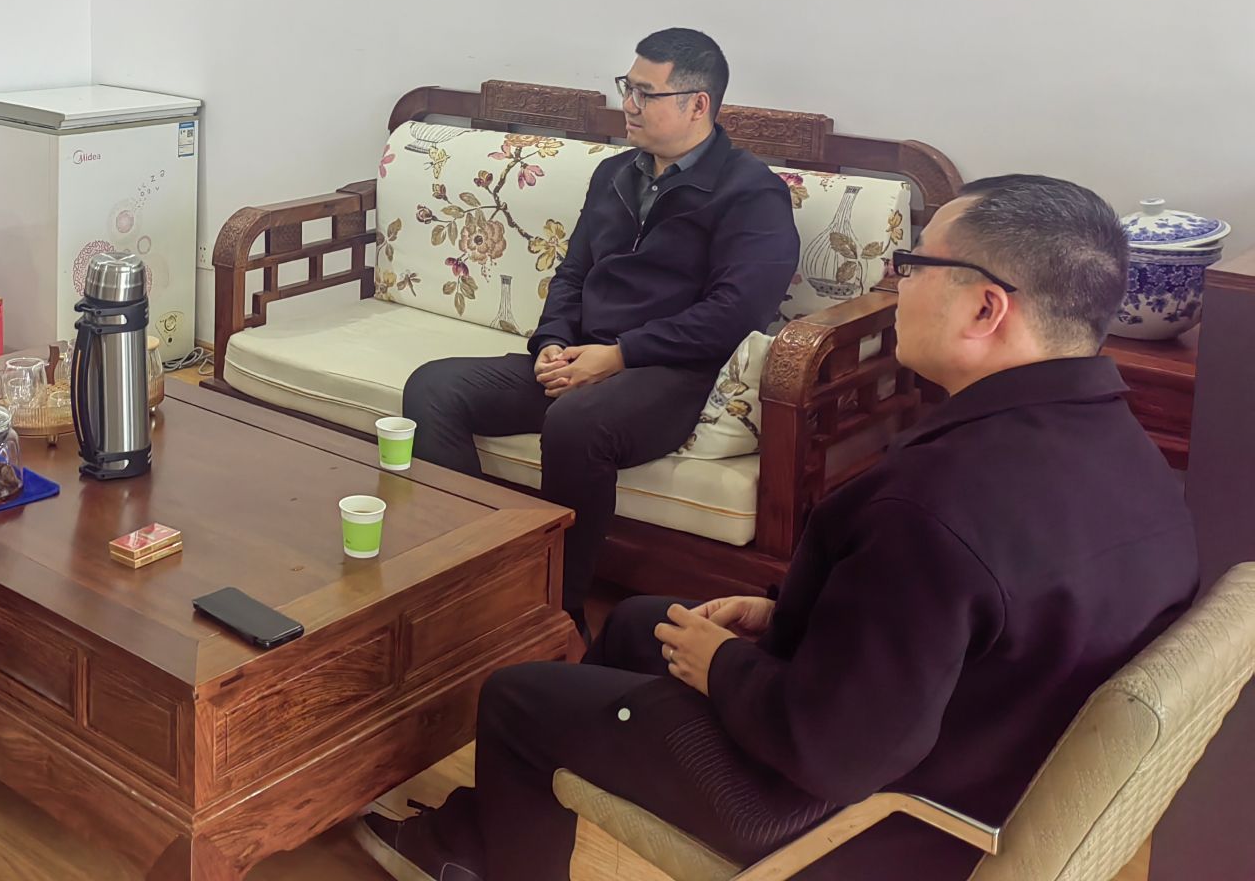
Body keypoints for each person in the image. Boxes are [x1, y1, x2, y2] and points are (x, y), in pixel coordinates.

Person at [360, 174, 1199, 881]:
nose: (896, 285)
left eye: (913, 266)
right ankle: (503, 822)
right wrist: (785, 615)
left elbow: (831, 751)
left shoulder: (937, 506)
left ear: (986, 309)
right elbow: (968, 624)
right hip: (962, 743)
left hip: (857, 818)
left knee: (519, 697)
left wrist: (726, 666)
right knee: (643, 623)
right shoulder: (1127, 453)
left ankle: (479, 859)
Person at [401, 28, 800, 627]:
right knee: (434, 389)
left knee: (576, 424)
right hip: (583, 357)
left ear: (698, 104)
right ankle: (479, 578)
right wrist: (553, 342)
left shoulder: (751, 193)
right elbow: (573, 272)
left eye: (645, 93)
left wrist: (619, 355)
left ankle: (555, 614)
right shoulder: (615, 173)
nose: (628, 106)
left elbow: (735, 312)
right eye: (626, 88)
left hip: (672, 374)